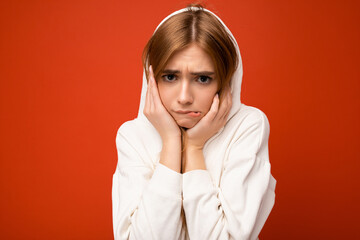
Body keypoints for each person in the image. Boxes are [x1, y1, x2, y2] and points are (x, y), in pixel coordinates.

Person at [112, 4, 276, 240]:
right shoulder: (132, 136)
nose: (184, 97)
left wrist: (195, 148)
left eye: (202, 78)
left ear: (225, 81)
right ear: (151, 79)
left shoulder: (248, 127)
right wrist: (171, 142)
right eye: (170, 77)